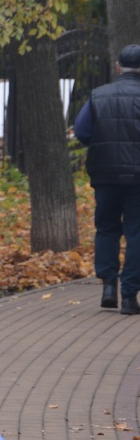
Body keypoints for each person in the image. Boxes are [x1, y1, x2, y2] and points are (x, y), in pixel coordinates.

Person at [74, 43, 140, 315]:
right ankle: (130, 296)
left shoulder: (98, 95)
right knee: (137, 233)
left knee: (107, 228)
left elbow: (81, 131)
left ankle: (108, 287)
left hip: (105, 174)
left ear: (118, 67)